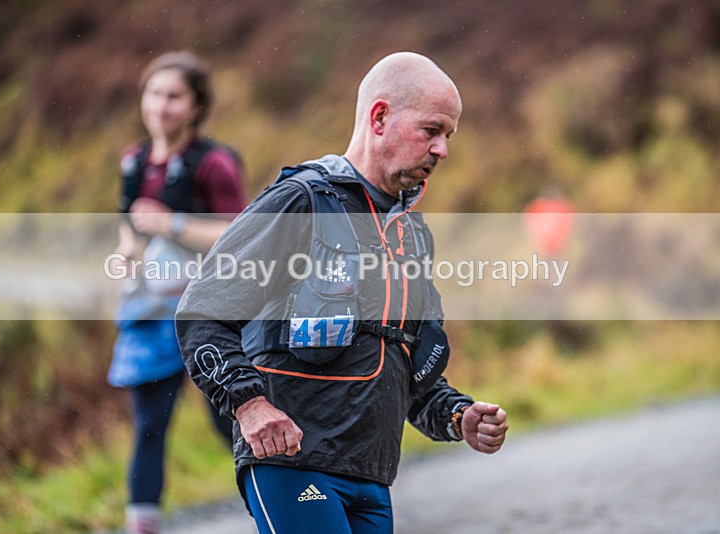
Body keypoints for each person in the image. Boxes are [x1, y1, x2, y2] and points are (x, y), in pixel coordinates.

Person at [175, 51, 508, 533]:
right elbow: (202, 312)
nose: (442, 150)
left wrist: (457, 416)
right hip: (292, 463)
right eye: (432, 130)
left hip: (370, 476)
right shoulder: (301, 201)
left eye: (448, 136)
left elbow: (408, 370)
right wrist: (250, 405)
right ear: (380, 117)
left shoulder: (411, 235)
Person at [106, 50, 246, 534]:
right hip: (151, 313)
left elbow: (240, 235)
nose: (160, 106)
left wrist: (174, 224)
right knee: (149, 426)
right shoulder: (133, 161)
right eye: (154, 94)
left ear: (196, 106)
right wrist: (127, 251)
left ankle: (289, 504)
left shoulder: (215, 164)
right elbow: (130, 226)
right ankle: (141, 526)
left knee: (230, 419)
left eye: (173, 96)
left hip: (211, 312)